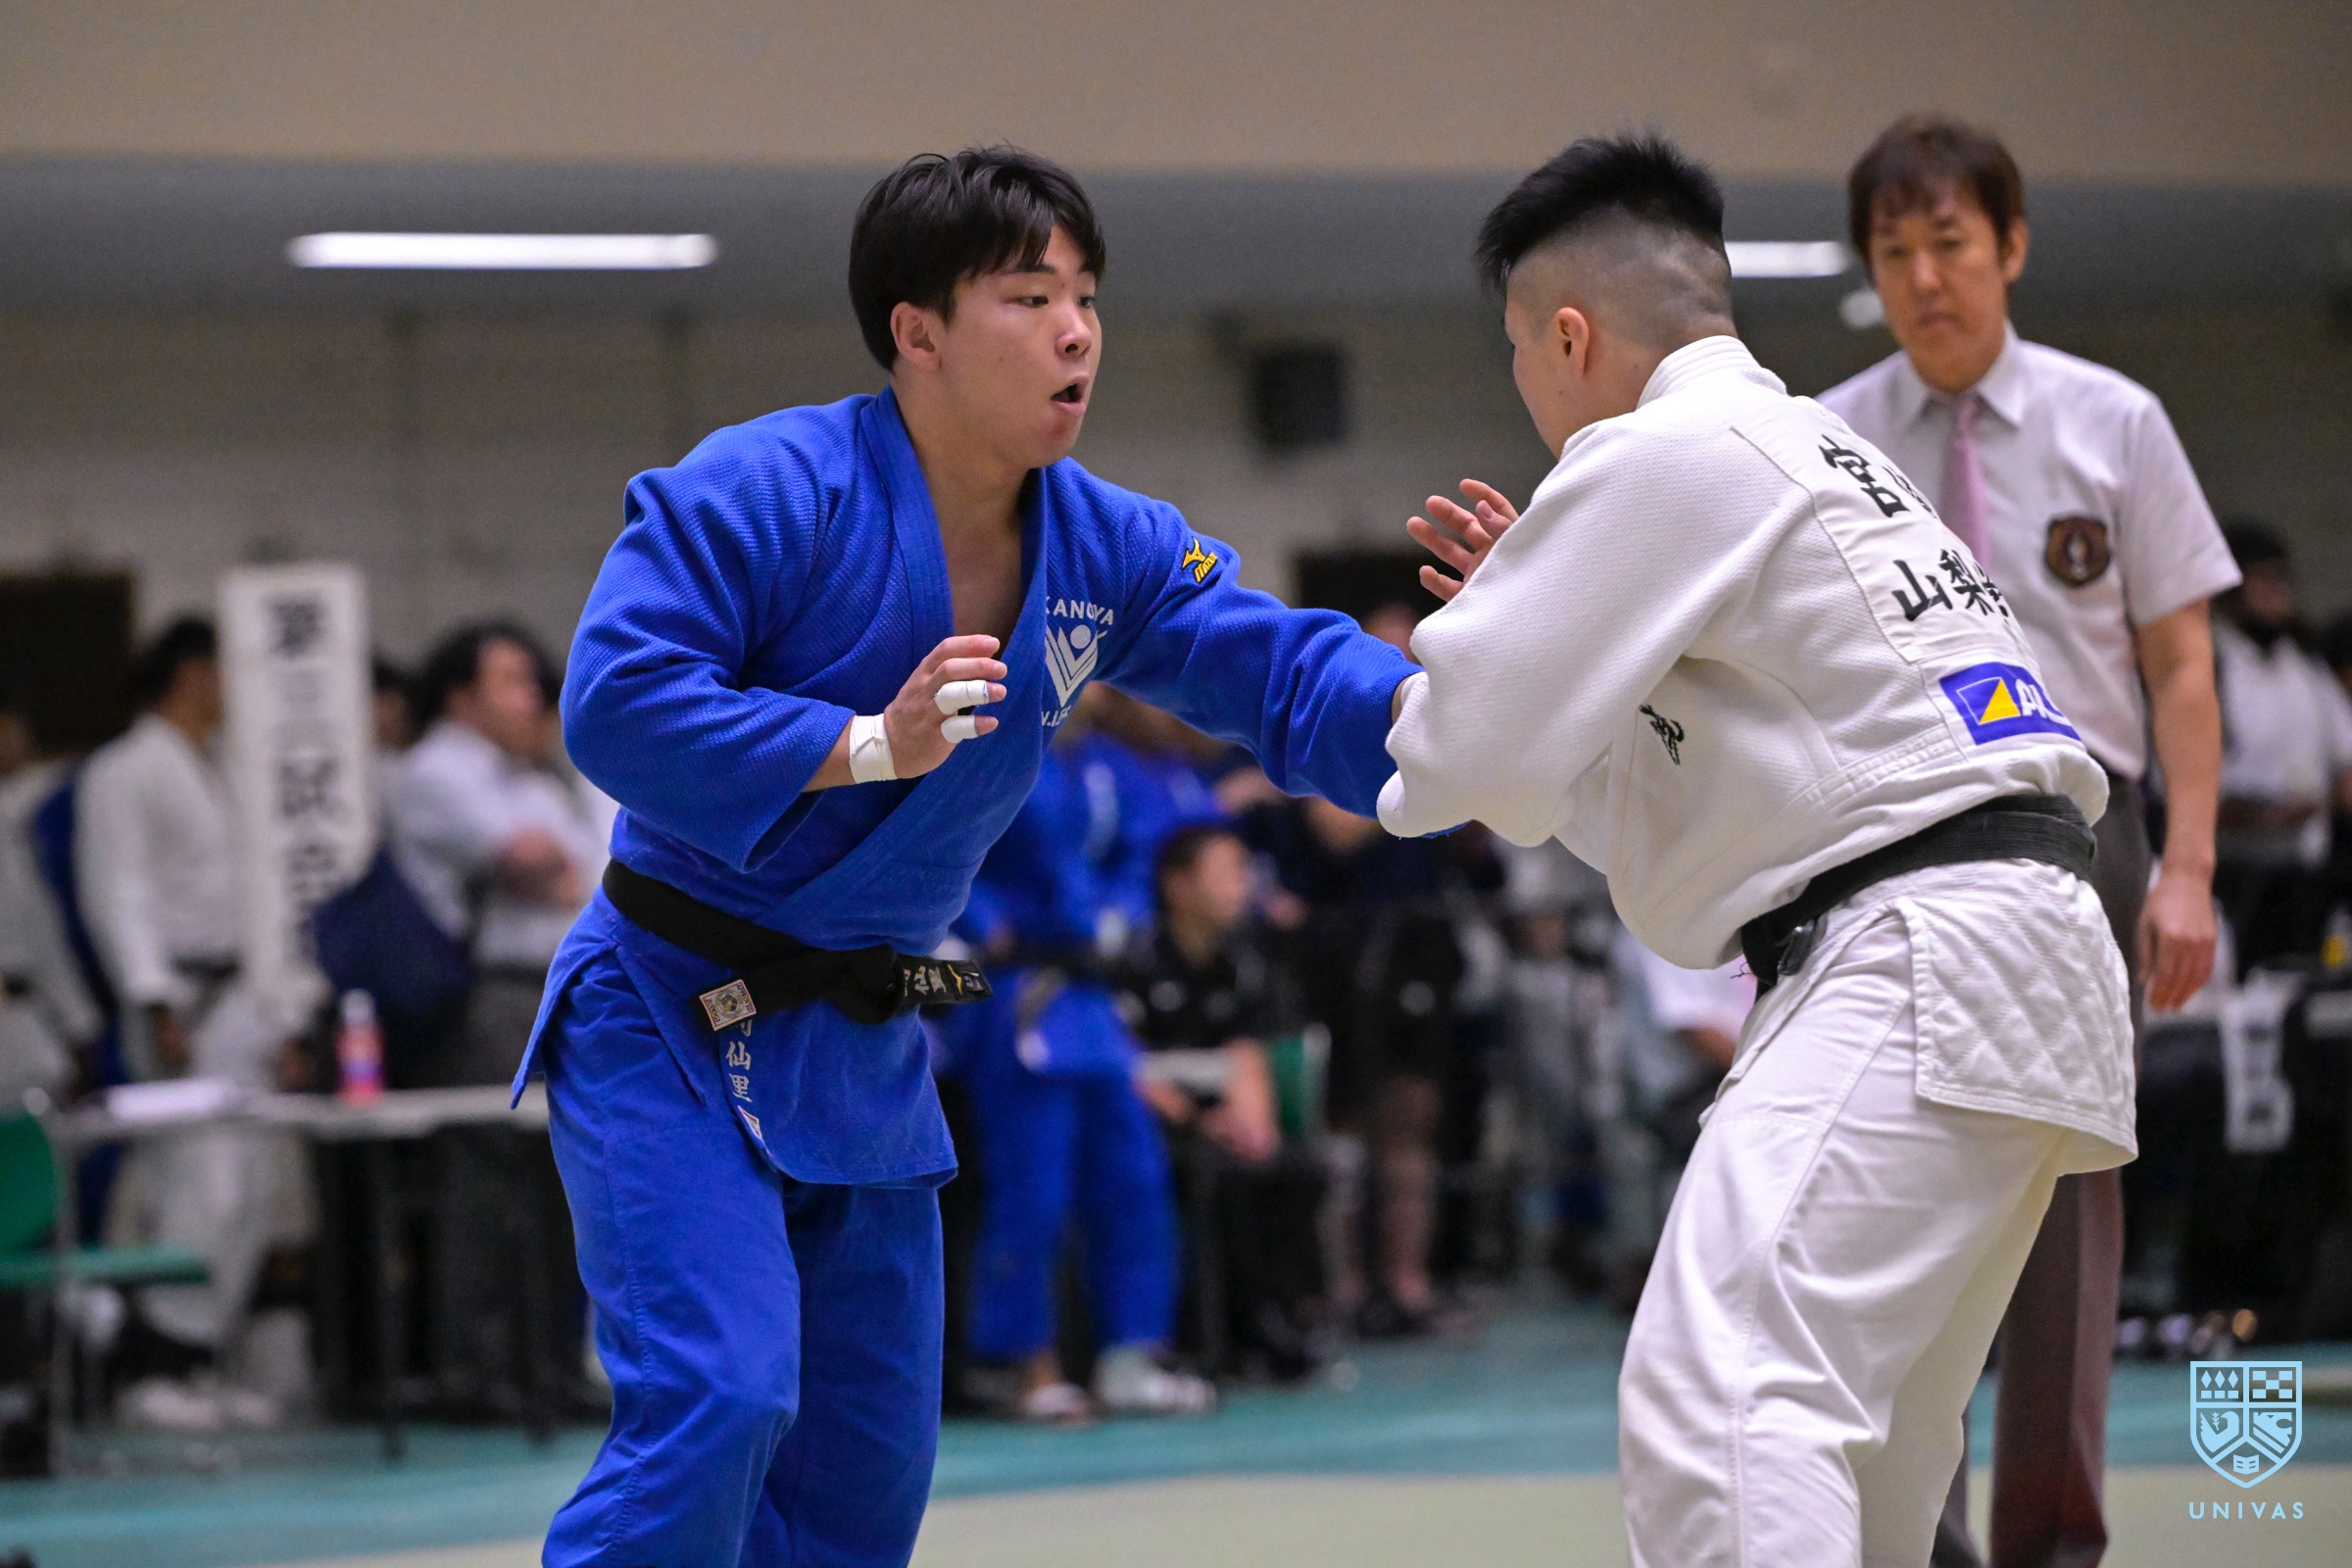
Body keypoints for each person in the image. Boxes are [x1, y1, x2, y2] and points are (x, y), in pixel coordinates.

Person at [529, 146, 1416, 1567]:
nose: (1077, 333)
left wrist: (1482, 697)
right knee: (720, 1397)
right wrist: (861, 743)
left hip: (864, 1040)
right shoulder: (767, 487)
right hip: (666, 1013)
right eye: (1029, 297)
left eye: (1087, 298)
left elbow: (1285, 672)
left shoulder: (1104, 545)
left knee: (865, 1473)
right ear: (918, 333)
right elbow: (616, 699)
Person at [1382, 135, 2133, 1568]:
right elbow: (1649, 802)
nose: (1528, 390)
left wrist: (1478, 653)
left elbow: (1461, 759)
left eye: (1518, 355)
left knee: (1722, 1390)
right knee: (1874, 1453)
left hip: (1920, 949)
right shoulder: (1820, 454)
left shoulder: (1668, 449)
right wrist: (1562, 644)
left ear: (1568, 336)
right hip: (2020, 948)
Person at [1819, 114, 2235, 1568]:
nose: (1925, 277)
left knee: (2067, 1188)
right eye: (1894, 251)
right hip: (1892, 833)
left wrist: (2187, 869)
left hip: (2084, 832)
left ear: (2011, 246)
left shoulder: (2112, 421)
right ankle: (1912, 1544)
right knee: (1897, 1184)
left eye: (1950, 243)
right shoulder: (1826, 438)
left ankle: (2052, 1544)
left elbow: (2181, 665)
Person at [74, 617, 300, 1431]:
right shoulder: (125, 770)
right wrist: (152, 996)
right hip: (183, 1003)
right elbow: (119, 893)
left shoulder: (227, 766)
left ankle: (203, 1360)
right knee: (198, 1187)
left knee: (252, 1189)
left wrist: (287, 1014)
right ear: (192, 673)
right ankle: (151, 1366)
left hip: (245, 997)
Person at [945, 741, 1210, 1422]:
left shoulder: (1103, 767)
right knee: (1033, 1189)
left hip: (1091, 999)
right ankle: (1022, 1364)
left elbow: (1144, 848)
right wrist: (983, 920)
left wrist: (1120, 913)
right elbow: (942, 839)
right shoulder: (988, 747)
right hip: (1020, 994)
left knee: (1134, 1179)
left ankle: (1132, 1355)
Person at [386, 621, 603, 1414]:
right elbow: (532, 861)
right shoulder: (433, 770)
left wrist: (562, 869)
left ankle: (548, 1364)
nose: (532, 698)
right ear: (461, 698)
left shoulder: (535, 780)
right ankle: (477, 1370)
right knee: (487, 1179)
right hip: (491, 996)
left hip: (561, 987)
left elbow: (591, 874)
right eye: (511, 681)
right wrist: (556, 868)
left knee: (559, 1181)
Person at [1120, 822, 1328, 1380]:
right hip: (1153, 1122)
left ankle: (1276, 1320)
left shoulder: (1244, 962)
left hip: (1218, 1117)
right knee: (1209, 1177)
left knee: (1292, 1168)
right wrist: (1195, 1121)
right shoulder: (1137, 958)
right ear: (1178, 886)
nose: (1243, 886)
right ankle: (1198, 1337)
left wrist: (1254, 1121)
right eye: (1228, 872)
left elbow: (1247, 1048)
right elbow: (1125, 1058)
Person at [2209, 521, 2352, 972]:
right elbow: (2176, 790)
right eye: (2263, 581)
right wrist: (2263, 817)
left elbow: (2344, 762)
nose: (2276, 594)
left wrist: (2323, 803)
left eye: (2280, 580)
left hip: (2305, 868)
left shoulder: (2303, 662)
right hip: (2234, 869)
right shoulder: (2213, 660)